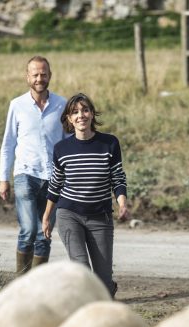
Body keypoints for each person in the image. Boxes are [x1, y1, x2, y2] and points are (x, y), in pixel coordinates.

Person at [42, 93, 128, 297]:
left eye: (85, 110)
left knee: (103, 284)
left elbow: (117, 178)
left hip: (101, 217)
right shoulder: (61, 149)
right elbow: (56, 184)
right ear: (69, 119)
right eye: (75, 112)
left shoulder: (109, 143)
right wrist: (47, 216)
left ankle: (107, 288)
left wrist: (123, 204)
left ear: (92, 114)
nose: (81, 115)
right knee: (82, 271)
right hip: (69, 214)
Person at [0, 56, 66, 275]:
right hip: (25, 174)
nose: (39, 78)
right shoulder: (17, 105)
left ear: (50, 75)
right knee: (29, 230)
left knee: (44, 234)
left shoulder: (61, 105)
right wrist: (3, 178)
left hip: (54, 178)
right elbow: (8, 143)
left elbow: (68, 143)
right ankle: (21, 281)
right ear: (27, 77)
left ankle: (36, 284)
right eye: (35, 74)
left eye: (43, 74)